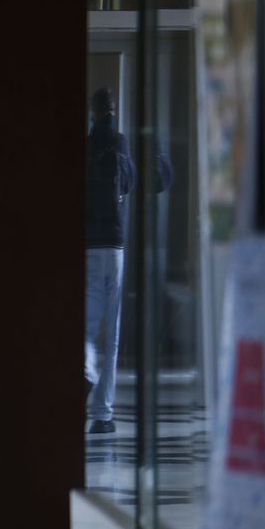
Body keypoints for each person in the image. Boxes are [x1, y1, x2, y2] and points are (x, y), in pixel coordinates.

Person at [84, 86, 171, 434]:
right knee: (114, 333)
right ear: (113, 109)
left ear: (92, 111)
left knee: (87, 327)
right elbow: (147, 180)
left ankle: (85, 371)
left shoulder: (86, 147)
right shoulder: (120, 144)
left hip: (88, 247)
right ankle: (103, 415)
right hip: (116, 248)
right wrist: (159, 151)